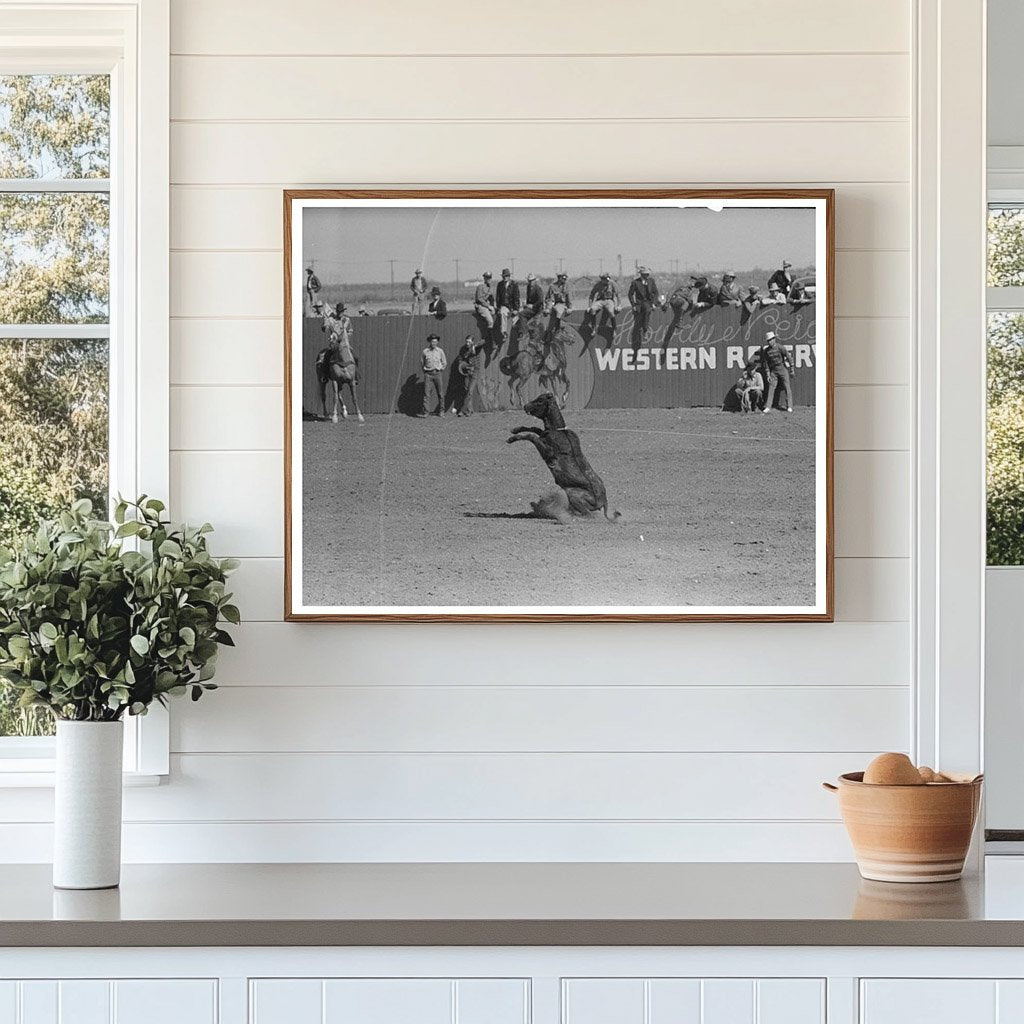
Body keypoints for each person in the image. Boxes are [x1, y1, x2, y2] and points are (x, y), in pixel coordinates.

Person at [759, 331, 795, 413]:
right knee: (771, 388)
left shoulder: (780, 347)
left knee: (787, 387)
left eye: (771, 339)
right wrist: (768, 374)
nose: (770, 341)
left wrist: (792, 369)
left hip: (782, 368)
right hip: (773, 371)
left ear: (774, 339)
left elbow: (789, 357)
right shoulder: (766, 351)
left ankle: (789, 406)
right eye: (768, 340)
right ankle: (768, 406)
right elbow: (766, 363)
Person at [628, 265, 659, 341]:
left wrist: (654, 303)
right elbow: (630, 294)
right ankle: (645, 330)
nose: (648, 275)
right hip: (641, 303)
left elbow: (656, 292)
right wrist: (633, 304)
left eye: (648, 274)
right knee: (647, 309)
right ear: (642, 274)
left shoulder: (651, 281)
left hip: (650, 301)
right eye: (646, 274)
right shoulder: (635, 282)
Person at [420, 333, 448, 417]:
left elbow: (444, 362)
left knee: (440, 393)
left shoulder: (440, 351)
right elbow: (422, 362)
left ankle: (441, 411)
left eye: (435, 342)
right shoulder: (425, 351)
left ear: (437, 342)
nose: (434, 343)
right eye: (432, 342)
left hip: (437, 374)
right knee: (426, 394)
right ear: (429, 342)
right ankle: (426, 412)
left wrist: (440, 369)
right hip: (428, 374)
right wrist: (425, 371)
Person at [455, 334, 481, 416]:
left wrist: (474, 346)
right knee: (467, 390)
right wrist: (462, 365)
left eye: (469, 342)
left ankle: (463, 410)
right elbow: (460, 359)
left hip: (474, 371)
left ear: (472, 342)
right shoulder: (463, 349)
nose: (467, 343)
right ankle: (470, 410)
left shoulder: (476, 347)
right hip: (466, 371)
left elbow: (484, 341)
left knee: (470, 391)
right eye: (466, 341)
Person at [495, 268, 521, 342]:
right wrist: (498, 307)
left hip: (512, 305)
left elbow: (516, 297)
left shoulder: (514, 284)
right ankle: (504, 333)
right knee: (503, 313)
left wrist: (516, 309)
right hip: (504, 305)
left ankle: (519, 332)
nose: (505, 277)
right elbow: (498, 297)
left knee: (516, 318)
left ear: (509, 276)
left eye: (506, 276)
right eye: (504, 276)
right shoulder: (499, 285)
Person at [545, 272, 572, 336]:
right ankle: (549, 331)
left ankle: (558, 329)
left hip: (563, 304)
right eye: (563, 278)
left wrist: (570, 308)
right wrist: (548, 308)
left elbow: (569, 298)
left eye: (565, 278)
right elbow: (549, 298)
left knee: (559, 311)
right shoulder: (553, 286)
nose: (565, 280)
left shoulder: (567, 286)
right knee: (549, 313)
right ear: (559, 278)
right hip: (554, 304)